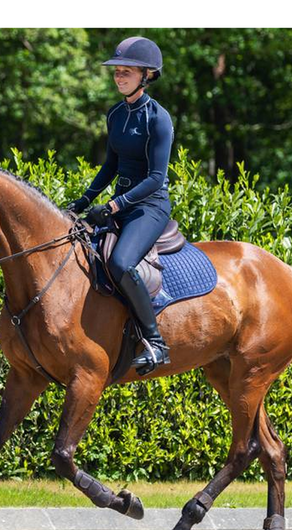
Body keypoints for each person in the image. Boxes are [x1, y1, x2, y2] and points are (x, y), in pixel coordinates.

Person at [67, 37, 173, 376]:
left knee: (121, 262)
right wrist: (82, 202)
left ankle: (156, 342)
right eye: (116, 72)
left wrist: (114, 205)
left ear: (147, 75)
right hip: (122, 204)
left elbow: (157, 178)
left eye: (126, 72)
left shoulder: (159, 119)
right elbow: (110, 167)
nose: (118, 77)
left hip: (150, 206)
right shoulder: (115, 114)